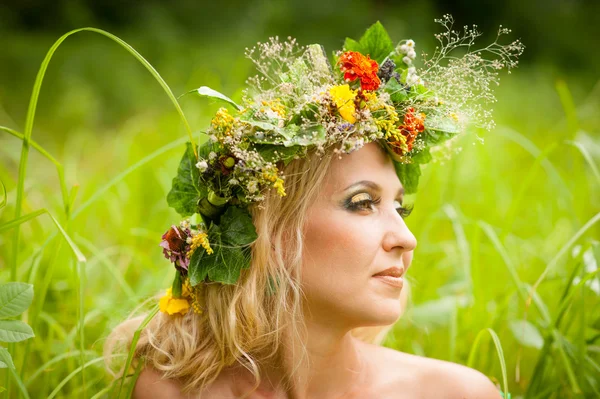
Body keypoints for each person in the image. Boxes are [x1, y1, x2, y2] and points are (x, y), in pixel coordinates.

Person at [105, 18, 522, 398]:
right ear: (271, 230)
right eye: (363, 204)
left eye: (400, 207)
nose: (406, 238)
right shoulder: (178, 392)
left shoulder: (456, 394)